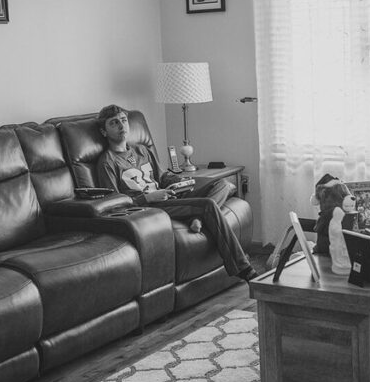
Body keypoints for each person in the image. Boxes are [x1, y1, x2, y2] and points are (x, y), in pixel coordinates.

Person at [94, 104, 256, 281]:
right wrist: (148, 197)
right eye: (114, 123)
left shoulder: (142, 150)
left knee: (223, 184)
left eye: (124, 120)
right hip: (151, 208)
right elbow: (115, 203)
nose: (121, 125)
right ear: (104, 132)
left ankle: (198, 218)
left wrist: (180, 182)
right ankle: (244, 269)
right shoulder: (107, 162)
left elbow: (162, 176)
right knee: (208, 204)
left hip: (169, 195)